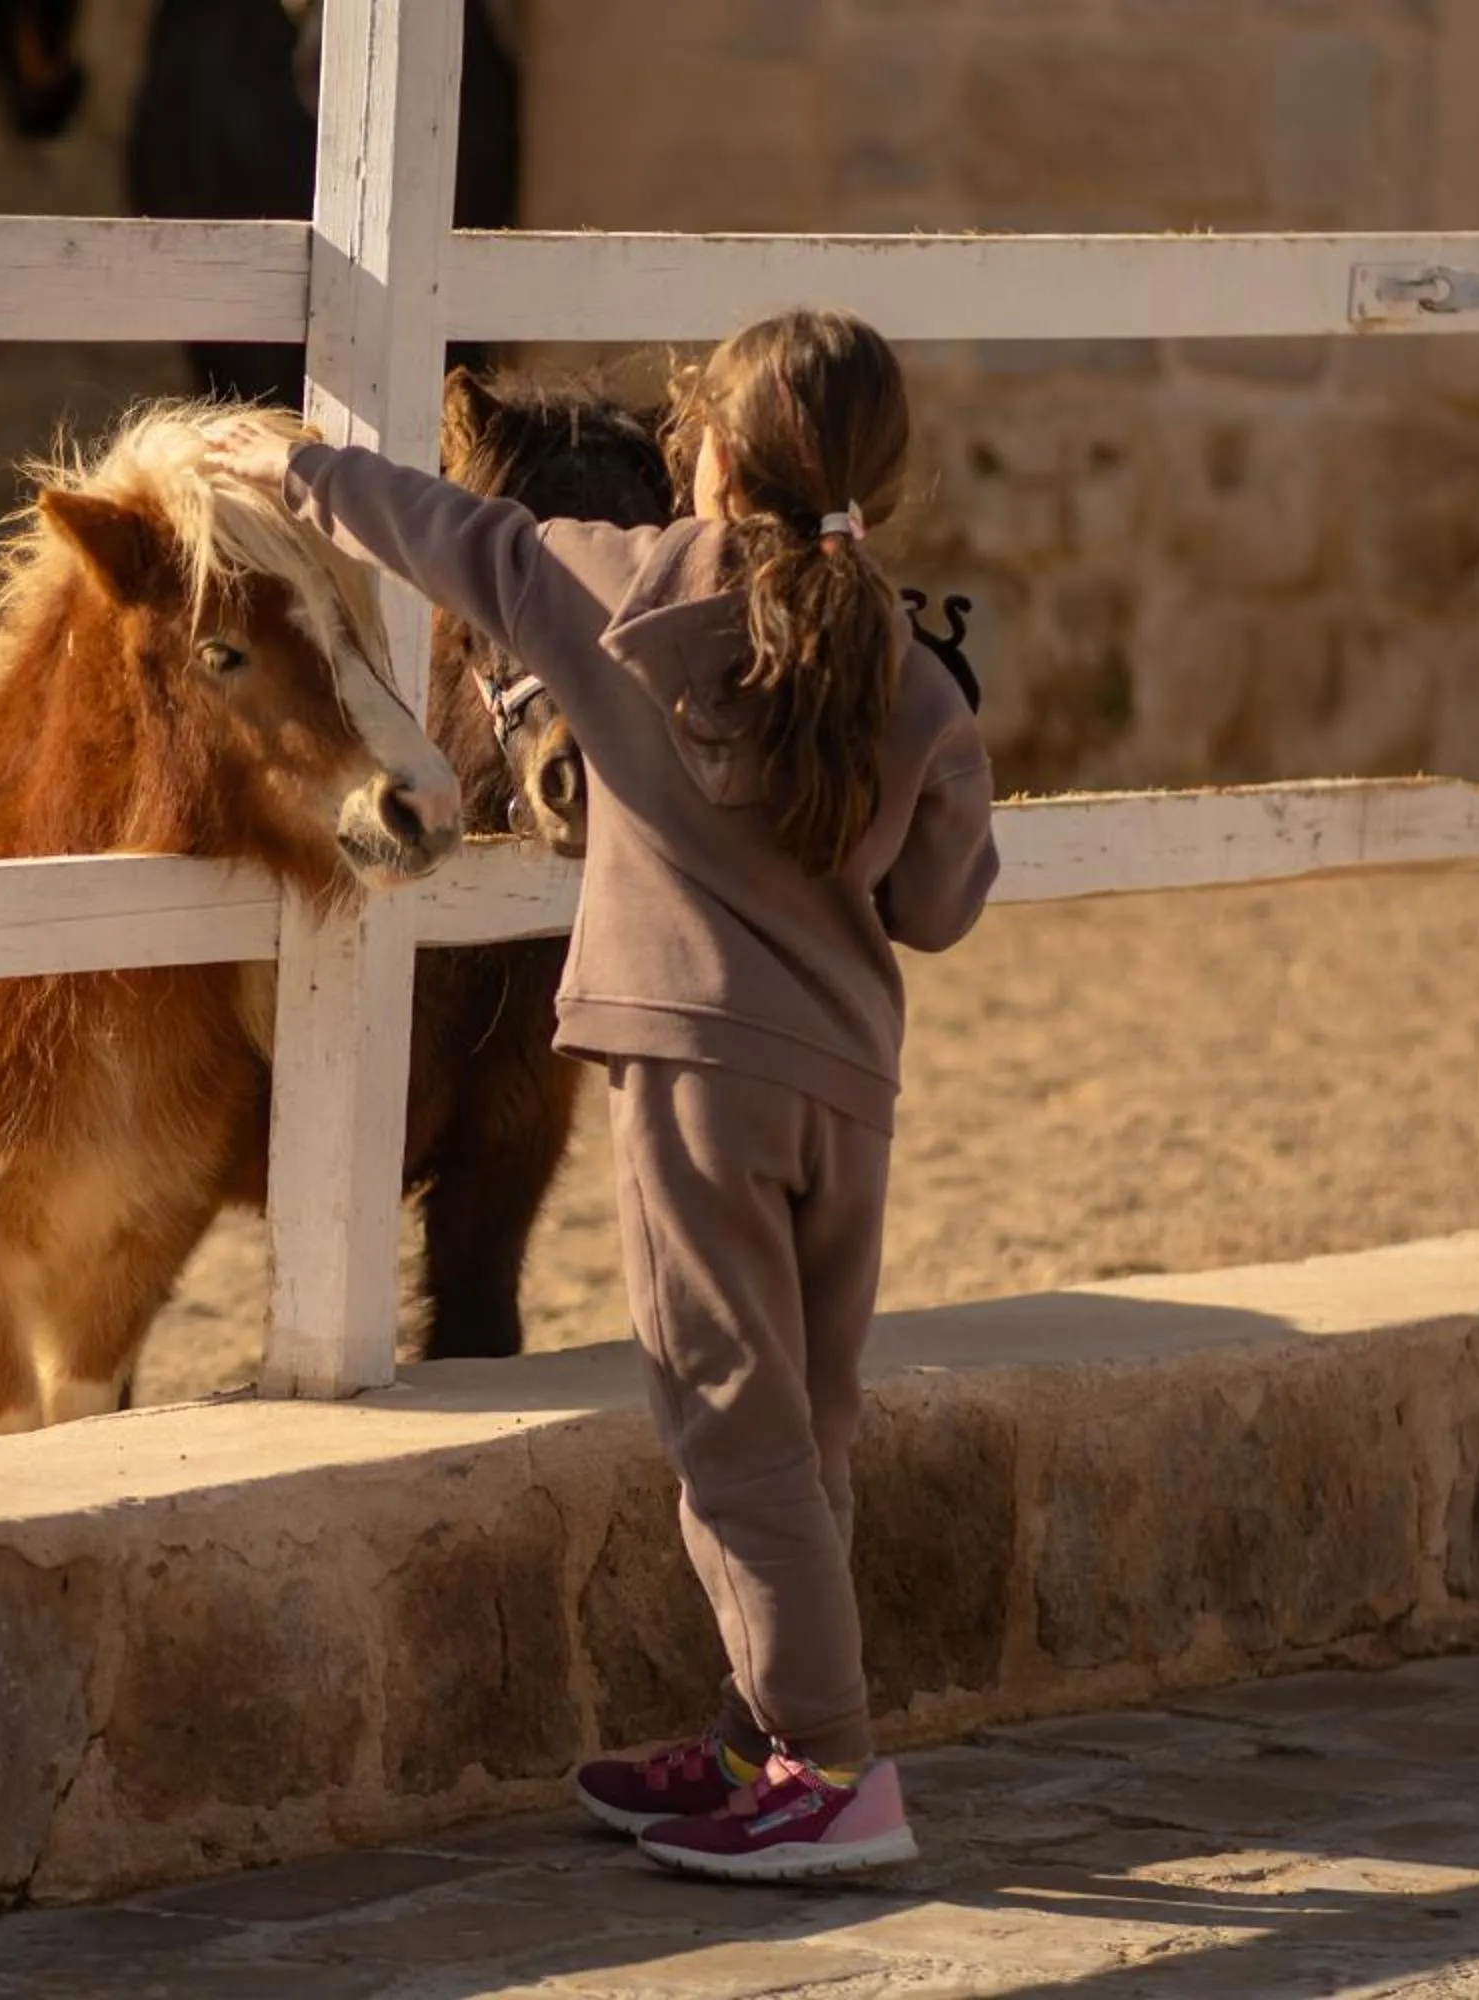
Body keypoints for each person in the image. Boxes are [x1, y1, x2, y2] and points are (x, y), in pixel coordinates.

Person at [202, 308, 999, 1882]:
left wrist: (301, 471)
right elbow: (940, 904)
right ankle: (762, 1740)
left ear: (709, 459)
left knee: (729, 1429)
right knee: (809, 1421)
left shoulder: (633, 589)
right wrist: (938, 729)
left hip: (701, 1081)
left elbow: (465, 538)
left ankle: (832, 1770)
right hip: (852, 1087)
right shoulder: (907, 668)